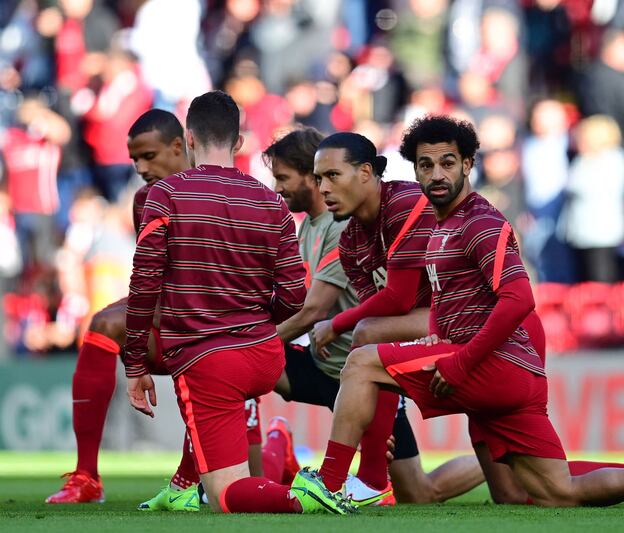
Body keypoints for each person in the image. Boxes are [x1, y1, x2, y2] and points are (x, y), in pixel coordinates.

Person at [302, 115, 624, 511]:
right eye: (425, 165)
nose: (436, 175)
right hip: (498, 367)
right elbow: (440, 310)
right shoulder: (436, 226)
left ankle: (335, 482)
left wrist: (459, 361)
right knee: (544, 492)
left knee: (362, 362)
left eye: (448, 163)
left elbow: (520, 299)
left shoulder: (479, 222)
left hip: (492, 364)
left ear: (468, 165)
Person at [122, 90, 350, 515]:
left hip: (207, 358)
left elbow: (145, 282)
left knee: (226, 494)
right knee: (230, 473)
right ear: (239, 142)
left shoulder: (166, 195)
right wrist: (257, 320)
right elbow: (294, 296)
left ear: (188, 140)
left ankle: (303, 493)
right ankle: (261, 463)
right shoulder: (270, 203)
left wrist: (135, 361)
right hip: (264, 356)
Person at [262, 128, 483, 505]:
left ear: (365, 173)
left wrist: (337, 324)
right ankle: (502, 455)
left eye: (330, 176)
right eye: (319, 179)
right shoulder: (350, 237)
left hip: (462, 319)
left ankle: (364, 478)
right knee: (419, 493)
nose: (323, 187)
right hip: (380, 347)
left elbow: (392, 301)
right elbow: (380, 305)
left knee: (363, 335)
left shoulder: (403, 204)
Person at [46, 109, 216, 509]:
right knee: (103, 324)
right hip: (177, 321)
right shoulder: (145, 201)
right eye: (134, 159)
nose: (140, 168)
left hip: (226, 330)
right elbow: (153, 278)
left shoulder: (214, 192)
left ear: (179, 146)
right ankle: (86, 476)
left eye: (148, 156)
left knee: (249, 474)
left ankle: (262, 454)